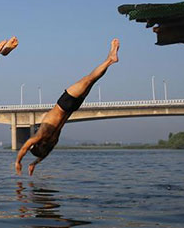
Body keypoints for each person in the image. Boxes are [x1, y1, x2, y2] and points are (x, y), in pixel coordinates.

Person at [15, 39, 119, 176]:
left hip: (72, 108)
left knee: (93, 80)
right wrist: (18, 161)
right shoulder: (39, 136)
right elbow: (25, 147)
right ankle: (110, 59)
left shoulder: (52, 140)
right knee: (89, 78)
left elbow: (45, 154)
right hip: (64, 103)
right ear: (37, 145)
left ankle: (109, 60)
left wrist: (34, 163)